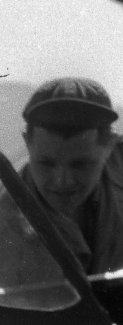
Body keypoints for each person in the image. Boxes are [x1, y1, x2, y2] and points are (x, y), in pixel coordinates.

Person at [17, 77, 123, 274]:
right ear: (27, 144)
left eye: (81, 165)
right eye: (46, 164)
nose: (62, 181)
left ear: (109, 146)